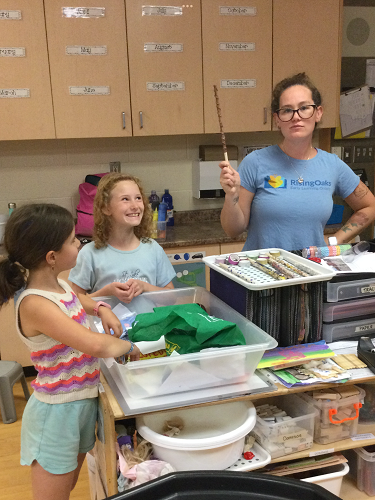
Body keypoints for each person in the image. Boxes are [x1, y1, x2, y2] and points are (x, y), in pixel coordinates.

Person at [0, 203, 141, 500]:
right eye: (75, 240)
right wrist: (131, 348)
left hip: (80, 405)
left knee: (68, 484)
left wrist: (102, 308)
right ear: (52, 257)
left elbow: (80, 299)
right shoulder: (35, 303)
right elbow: (95, 344)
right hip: (57, 414)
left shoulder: (58, 284)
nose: (80, 244)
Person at [220, 72, 375, 251]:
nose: (296, 116)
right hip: (263, 273)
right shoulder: (255, 162)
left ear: (318, 113)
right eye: (286, 110)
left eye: (304, 108)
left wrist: (334, 241)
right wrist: (231, 197)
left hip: (311, 271)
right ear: (277, 119)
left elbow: (369, 206)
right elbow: (232, 230)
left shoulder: (333, 165)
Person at [69, 173, 175, 306]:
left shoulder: (153, 248)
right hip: (109, 327)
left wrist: (145, 287)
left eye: (138, 198)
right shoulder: (89, 254)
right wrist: (107, 292)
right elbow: (74, 304)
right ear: (106, 208)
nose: (135, 205)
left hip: (150, 326)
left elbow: (171, 298)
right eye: (125, 199)